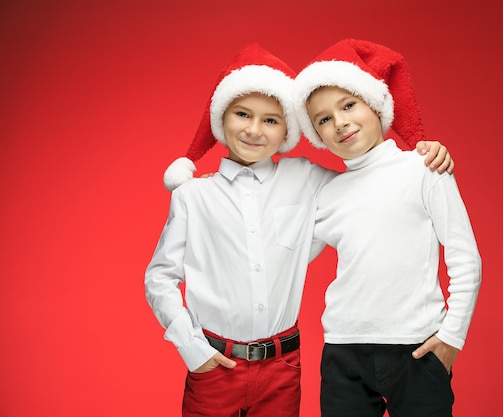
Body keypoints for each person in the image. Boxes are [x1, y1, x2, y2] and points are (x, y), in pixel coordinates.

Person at [145, 43, 453, 417]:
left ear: (287, 130)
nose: (255, 130)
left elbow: (365, 182)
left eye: (271, 120)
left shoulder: (306, 178)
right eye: (242, 114)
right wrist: (191, 348)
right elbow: (160, 277)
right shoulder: (194, 195)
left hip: (282, 367)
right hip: (215, 364)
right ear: (220, 118)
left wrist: (425, 152)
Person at [293, 38, 482, 417]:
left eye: (348, 106)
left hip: (416, 349)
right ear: (317, 134)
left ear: (376, 104)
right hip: (343, 353)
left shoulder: (424, 167)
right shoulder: (329, 192)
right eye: (323, 120)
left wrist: (451, 339)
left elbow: (465, 259)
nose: (340, 123)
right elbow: (287, 260)